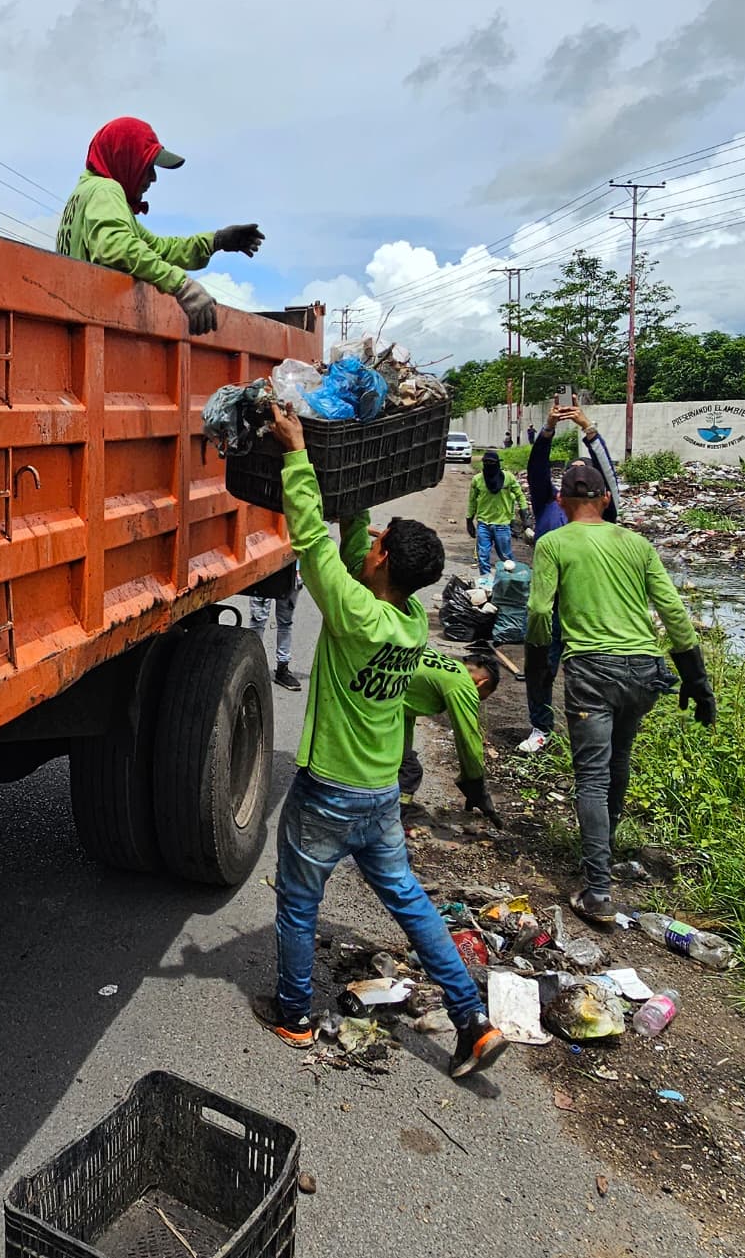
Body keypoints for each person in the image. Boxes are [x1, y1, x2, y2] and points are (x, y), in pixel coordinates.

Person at [259, 400, 507, 1080]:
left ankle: (292, 1012)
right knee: (411, 902)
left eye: (373, 544)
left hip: (330, 793)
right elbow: (344, 545)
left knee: (299, 900)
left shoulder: (353, 611)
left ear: (385, 563)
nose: (365, 546)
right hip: (377, 799)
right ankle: (473, 1021)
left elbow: (311, 540)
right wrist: (359, 492)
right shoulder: (403, 620)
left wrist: (297, 452)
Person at [527, 460, 715, 922]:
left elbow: (537, 612)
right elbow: (672, 609)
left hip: (592, 669)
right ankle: (603, 850)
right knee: (618, 761)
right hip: (645, 671)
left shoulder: (553, 543)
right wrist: (697, 679)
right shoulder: (636, 543)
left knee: (592, 775)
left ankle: (597, 889)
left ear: (560, 501)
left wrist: (538, 668)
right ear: (606, 499)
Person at [56, 116, 262, 335]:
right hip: (96, 332)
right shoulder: (106, 191)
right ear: (125, 158)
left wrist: (214, 241)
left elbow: (158, 248)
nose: (153, 178)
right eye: (148, 166)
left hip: (80, 329)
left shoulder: (84, 195)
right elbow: (117, 247)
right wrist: (182, 286)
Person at [516, 404, 621, 755]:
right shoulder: (549, 504)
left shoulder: (606, 513)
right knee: (541, 669)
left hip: (589, 607)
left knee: (587, 674)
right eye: (570, 471)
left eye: (583, 471)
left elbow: (607, 472)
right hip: (549, 604)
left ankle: (588, 732)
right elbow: (536, 469)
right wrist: (547, 429)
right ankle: (541, 727)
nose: (577, 473)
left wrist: (587, 428)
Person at [395, 647, 503, 827]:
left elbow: (406, 708)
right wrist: (476, 786)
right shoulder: (462, 682)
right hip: (368, 703)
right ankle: (394, 816)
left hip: (373, 692)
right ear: (481, 683)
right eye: (479, 698)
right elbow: (468, 738)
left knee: (400, 761)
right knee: (410, 770)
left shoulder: (443, 665)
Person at [466, 449, 529, 582]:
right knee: (483, 555)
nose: (489, 465)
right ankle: (486, 581)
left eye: (492, 462)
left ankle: (516, 581)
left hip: (502, 524)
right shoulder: (477, 480)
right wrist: (469, 520)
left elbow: (520, 496)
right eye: (486, 462)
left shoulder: (508, 478)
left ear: (498, 464)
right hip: (484, 524)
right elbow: (472, 501)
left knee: (506, 556)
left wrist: (525, 518)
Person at [248, 578, 302, 690]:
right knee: (258, 621)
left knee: (285, 623)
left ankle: (282, 667)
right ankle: (253, 666)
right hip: (263, 572)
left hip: (290, 573)